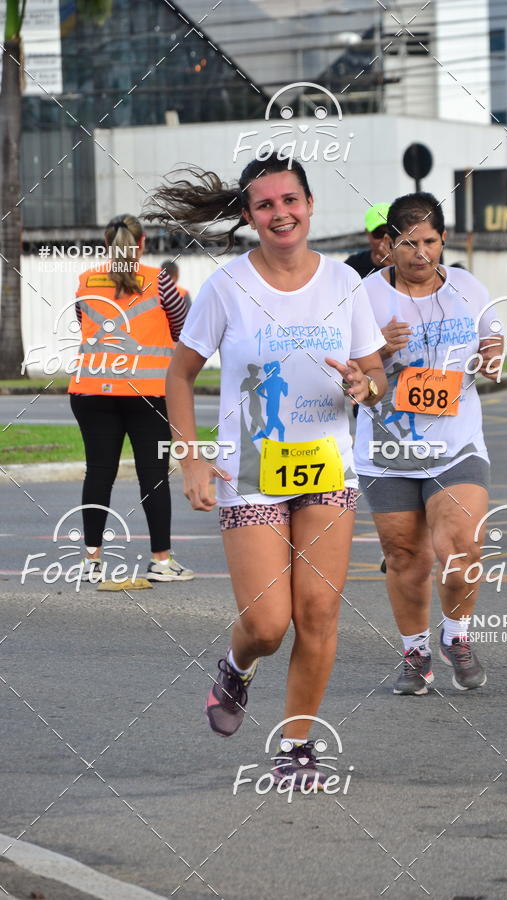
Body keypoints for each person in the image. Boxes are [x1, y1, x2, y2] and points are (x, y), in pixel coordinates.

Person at [149, 154, 386, 788]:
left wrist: (366, 384)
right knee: (267, 624)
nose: (280, 213)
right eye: (265, 205)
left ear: (309, 206)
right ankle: (236, 663)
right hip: (249, 471)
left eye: (290, 201)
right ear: (250, 216)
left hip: (328, 470)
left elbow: (375, 376)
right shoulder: (229, 287)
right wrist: (191, 456)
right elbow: (179, 374)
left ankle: (296, 746)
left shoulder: (344, 282)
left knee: (319, 614)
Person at [353, 192, 503, 694]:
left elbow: (494, 334)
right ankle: (415, 652)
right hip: (387, 447)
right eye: (409, 243)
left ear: (444, 240)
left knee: (460, 548)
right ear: (389, 246)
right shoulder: (365, 297)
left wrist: (492, 353)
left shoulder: (467, 286)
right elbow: (340, 372)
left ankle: (456, 635)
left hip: (456, 443)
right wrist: (379, 347)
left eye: (431, 241)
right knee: (405, 558)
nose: (422, 254)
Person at [68, 213, 194, 582]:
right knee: (153, 476)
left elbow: (84, 324)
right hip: (148, 393)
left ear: (108, 245)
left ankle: (91, 562)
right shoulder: (161, 282)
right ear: (142, 245)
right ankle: (161, 561)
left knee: (99, 474)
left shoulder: (85, 282)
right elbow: (183, 330)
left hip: (91, 392)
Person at [345, 202, 391, 279]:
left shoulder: (410, 264)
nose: (386, 239)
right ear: (367, 233)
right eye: (379, 233)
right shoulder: (353, 266)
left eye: (391, 232)